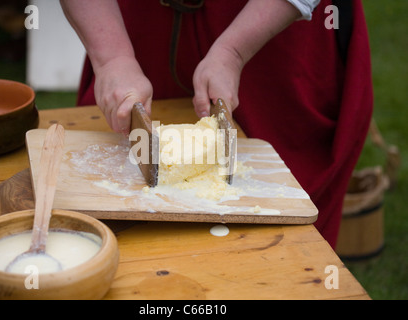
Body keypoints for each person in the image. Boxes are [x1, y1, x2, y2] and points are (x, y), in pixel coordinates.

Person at [60, 0, 373, 249]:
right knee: (123, 234)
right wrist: (112, 59)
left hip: (274, 37)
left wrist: (233, 52)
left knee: (283, 240)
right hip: (128, 30)